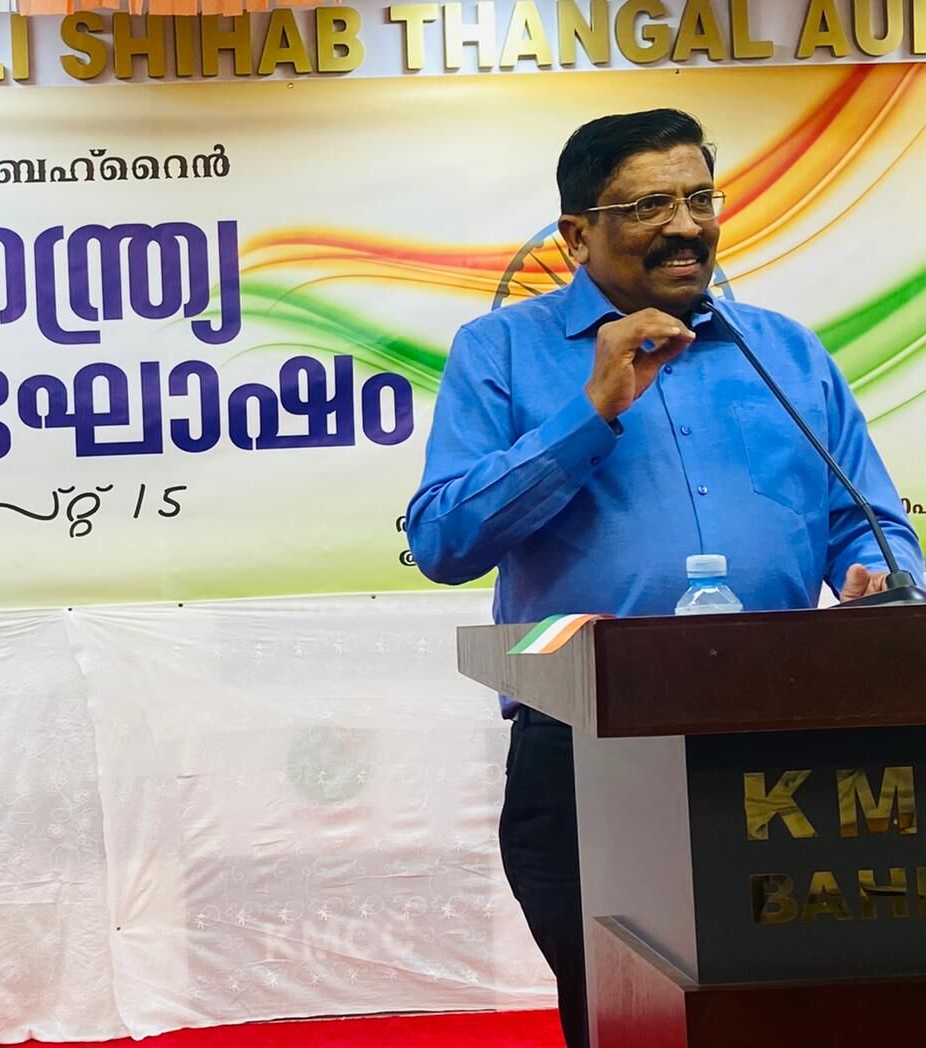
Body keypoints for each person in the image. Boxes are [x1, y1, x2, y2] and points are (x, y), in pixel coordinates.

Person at [404, 109, 924, 1048]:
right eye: (649, 205)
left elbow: (869, 520)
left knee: (805, 1008)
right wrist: (590, 411)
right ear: (577, 236)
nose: (687, 226)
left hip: (788, 746)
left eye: (699, 199)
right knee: (624, 1012)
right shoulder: (502, 352)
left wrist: (881, 582)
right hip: (590, 752)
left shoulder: (786, 350)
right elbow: (444, 540)